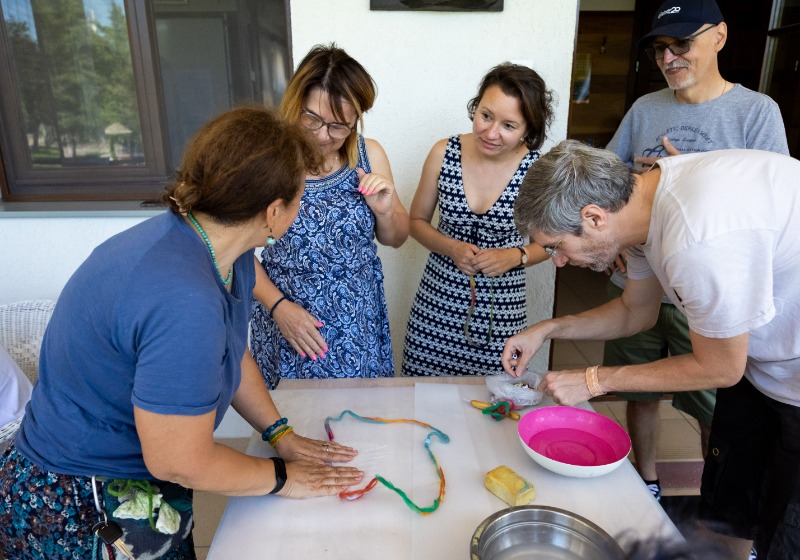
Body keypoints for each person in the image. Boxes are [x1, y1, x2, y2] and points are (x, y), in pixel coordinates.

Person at [0, 107, 364, 559]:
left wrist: (280, 435)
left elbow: (228, 352)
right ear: (273, 212)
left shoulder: (224, 251)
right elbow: (179, 461)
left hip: (141, 477)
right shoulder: (182, 297)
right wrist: (284, 479)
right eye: (299, 195)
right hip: (80, 500)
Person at [503, 139, 800, 560]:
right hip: (762, 369)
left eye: (556, 246)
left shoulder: (696, 239)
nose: (558, 261)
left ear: (593, 218)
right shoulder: (644, 203)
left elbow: (719, 366)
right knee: (727, 512)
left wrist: (595, 379)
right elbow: (634, 311)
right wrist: (548, 329)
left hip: (791, 378)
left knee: (785, 534)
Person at [601, 0, 789, 503]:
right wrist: (623, 224)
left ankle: (715, 498)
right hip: (642, 283)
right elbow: (607, 178)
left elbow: (770, 206)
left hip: (710, 297)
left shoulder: (755, 111)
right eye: (661, 48)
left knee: (716, 407)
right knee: (638, 394)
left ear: (720, 37)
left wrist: (694, 177)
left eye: (681, 43)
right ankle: (648, 484)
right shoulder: (645, 108)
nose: (669, 57)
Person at [250, 44, 409, 389]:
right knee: (292, 426)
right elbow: (234, 250)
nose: (323, 136)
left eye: (338, 126)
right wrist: (278, 308)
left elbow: (397, 237)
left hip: (357, 323)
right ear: (294, 104)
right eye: (312, 118)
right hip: (288, 322)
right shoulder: (266, 162)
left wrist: (384, 211)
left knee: (361, 426)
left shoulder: (369, 155)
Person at [402, 63, 554, 376]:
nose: (490, 132)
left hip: (501, 317)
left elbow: (555, 244)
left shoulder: (537, 171)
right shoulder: (444, 152)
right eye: (486, 115)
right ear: (476, 107)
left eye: (509, 126)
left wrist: (516, 255)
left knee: (491, 409)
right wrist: (451, 247)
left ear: (529, 129)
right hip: (435, 309)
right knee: (424, 403)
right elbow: (415, 221)